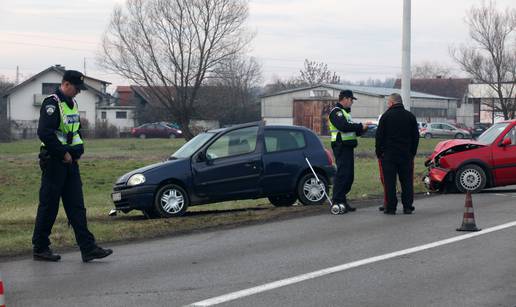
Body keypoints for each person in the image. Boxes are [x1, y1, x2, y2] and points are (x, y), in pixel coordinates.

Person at [33, 70, 113, 262]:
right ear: (66, 84)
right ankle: (40, 247)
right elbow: (45, 133)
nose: (78, 92)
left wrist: (77, 151)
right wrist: (64, 153)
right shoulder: (51, 103)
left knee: (77, 207)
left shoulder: (72, 104)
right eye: (77, 88)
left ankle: (88, 248)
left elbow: (75, 132)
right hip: (54, 162)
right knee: (49, 206)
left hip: (71, 163)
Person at [375, 93, 419, 215]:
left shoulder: (386, 116)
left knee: (390, 182)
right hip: (406, 155)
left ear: (393, 102)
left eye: (388, 102)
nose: (388, 104)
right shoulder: (410, 117)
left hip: (389, 155)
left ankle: (391, 207)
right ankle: (408, 206)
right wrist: (412, 152)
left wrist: (379, 152)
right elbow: (416, 137)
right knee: (406, 181)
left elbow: (379, 137)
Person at [328, 90, 369, 214]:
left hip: (348, 147)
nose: (352, 103)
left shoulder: (345, 113)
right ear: (344, 99)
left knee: (349, 176)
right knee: (342, 175)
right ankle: (337, 201)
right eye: (351, 100)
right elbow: (344, 127)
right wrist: (360, 126)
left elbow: (352, 130)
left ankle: (342, 200)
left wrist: (363, 130)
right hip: (341, 146)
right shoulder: (337, 113)